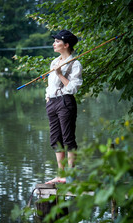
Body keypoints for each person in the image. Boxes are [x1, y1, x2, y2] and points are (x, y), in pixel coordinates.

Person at [45, 30, 83, 184]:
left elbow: (73, 88)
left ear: (66, 45)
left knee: (68, 139)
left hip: (65, 101)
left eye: (57, 41)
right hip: (52, 102)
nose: (54, 44)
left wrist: (60, 73)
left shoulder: (75, 63)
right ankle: (61, 175)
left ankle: (71, 175)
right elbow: (50, 85)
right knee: (55, 140)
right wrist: (47, 97)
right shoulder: (54, 62)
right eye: (54, 41)